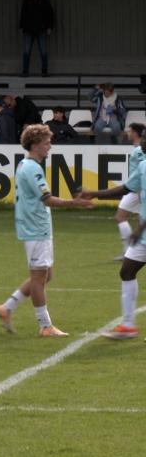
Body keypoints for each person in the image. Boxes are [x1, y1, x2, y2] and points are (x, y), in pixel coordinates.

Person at [0, 125, 93, 337]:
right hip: (36, 228)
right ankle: (45, 325)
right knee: (39, 278)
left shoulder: (24, 164)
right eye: (47, 143)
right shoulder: (33, 169)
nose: (50, 146)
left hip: (34, 227)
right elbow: (47, 199)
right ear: (35, 145)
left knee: (45, 275)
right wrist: (75, 203)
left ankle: (7, 308)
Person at [78, 130, 146, 339]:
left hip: (142, 231)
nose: (142, 142)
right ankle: (128, 326)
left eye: (145, 138)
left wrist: (139, 228)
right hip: (143, 235)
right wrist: (94, 194)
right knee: (127, 271)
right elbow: (126, 188)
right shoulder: (143, 165)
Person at [112, 124, 146, 257]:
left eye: (130, 131)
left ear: (136, 133)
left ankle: (128, 249)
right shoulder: (137, 149)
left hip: (136, 190)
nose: (128, 133)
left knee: (120, 216)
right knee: (140, 219)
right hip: (137, 188)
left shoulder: (139, 151)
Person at [19, 0, 54, 77]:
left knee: (43, 51)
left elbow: (50, 15)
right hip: (28, 29)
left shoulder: (45, 1)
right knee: (26, 51)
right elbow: (23, 14)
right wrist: (22, 26)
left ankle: (44, 71)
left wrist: (49, 27)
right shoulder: (27, 1)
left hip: (41, 29)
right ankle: (25, 71)